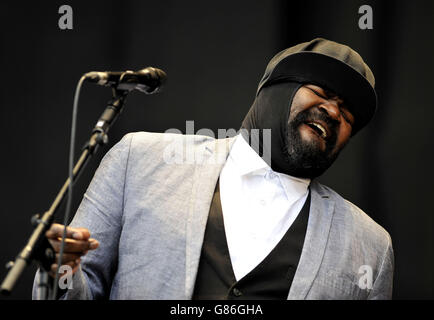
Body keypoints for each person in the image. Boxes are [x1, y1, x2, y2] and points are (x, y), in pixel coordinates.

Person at [33, 38, 394, 300]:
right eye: (320, 91)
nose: (333, 112)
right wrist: (60, 271)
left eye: (347, 114)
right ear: (271, 91)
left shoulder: (370, 246)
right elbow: (79, 287)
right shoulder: (140, 159)